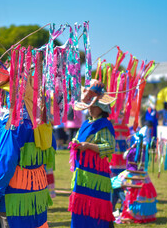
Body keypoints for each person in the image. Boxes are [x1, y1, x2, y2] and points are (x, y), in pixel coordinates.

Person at [0, 73, 57, 228]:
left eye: (8, 92)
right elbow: (51, 149)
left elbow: (7, 160)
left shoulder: (14, 123)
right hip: (36, 195)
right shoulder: (42, 122)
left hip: (14, 198)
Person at [68, 80, 116, 228]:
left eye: (93, 106)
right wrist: (76, 143)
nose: (90, 109)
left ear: (101, 108)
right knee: (81, 206)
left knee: (94, 207)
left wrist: (88, 145)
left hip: (96, 175)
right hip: (83, 173)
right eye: (89, 106)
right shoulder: (87, 123)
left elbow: (109, 147)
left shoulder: (104, 126)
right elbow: (79, 139)